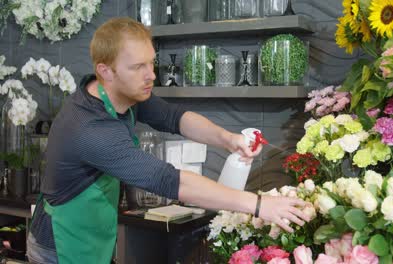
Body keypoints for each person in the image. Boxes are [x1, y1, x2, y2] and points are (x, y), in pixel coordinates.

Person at [26, 17, 310, 264]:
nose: (151, 75)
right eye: (138, 66)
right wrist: (259, 205)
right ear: (106, 71)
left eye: (151, 62)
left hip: (90, 233)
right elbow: (169, 180)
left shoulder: (121, 93)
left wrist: (228, 139)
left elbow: (175, 117)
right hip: (59, 246)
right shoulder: (90, 128)